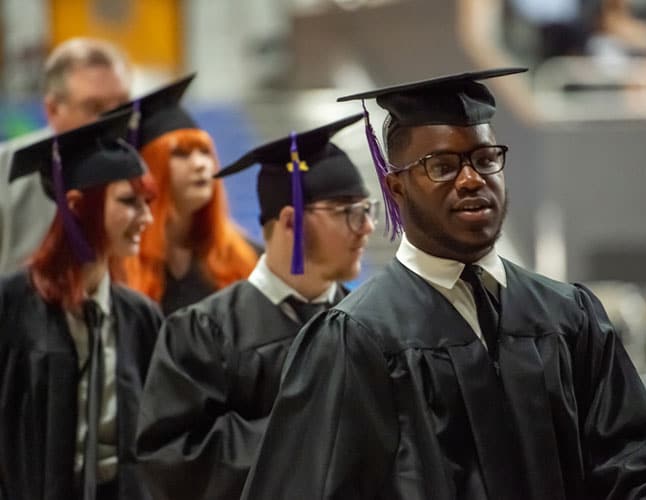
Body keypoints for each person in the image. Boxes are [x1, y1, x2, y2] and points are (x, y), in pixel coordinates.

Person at [241, 68, 646, 499]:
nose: (472, 179)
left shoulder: (569, 317)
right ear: (395, 187)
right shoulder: (356, 339)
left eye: (485, 158)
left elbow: (637, 466)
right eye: (442, 165)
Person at [134, 113, 377, 500]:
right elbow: (173, 461)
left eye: (367, 209)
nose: (366, 227)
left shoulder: (370, 326)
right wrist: (310, 428)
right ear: (290, 222)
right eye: (347, 210)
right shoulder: (202, 332)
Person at [0, 111, 162, 499]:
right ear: (75, 204)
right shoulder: (10, 305)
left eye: (147, 202)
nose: (147, 217)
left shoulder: (140, 316)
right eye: (129, 201)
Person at [116, 75, 259, 315]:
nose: (200, 164)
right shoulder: (118, 264)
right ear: (149, 168)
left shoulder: (245, 257)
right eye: (181, 154)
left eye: (205, 152)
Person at [0, 37, 132, 275]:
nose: (114, 120)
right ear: (52, 110)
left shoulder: (142, 169)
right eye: (95, 108)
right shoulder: (6, 171)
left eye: (123, 105)